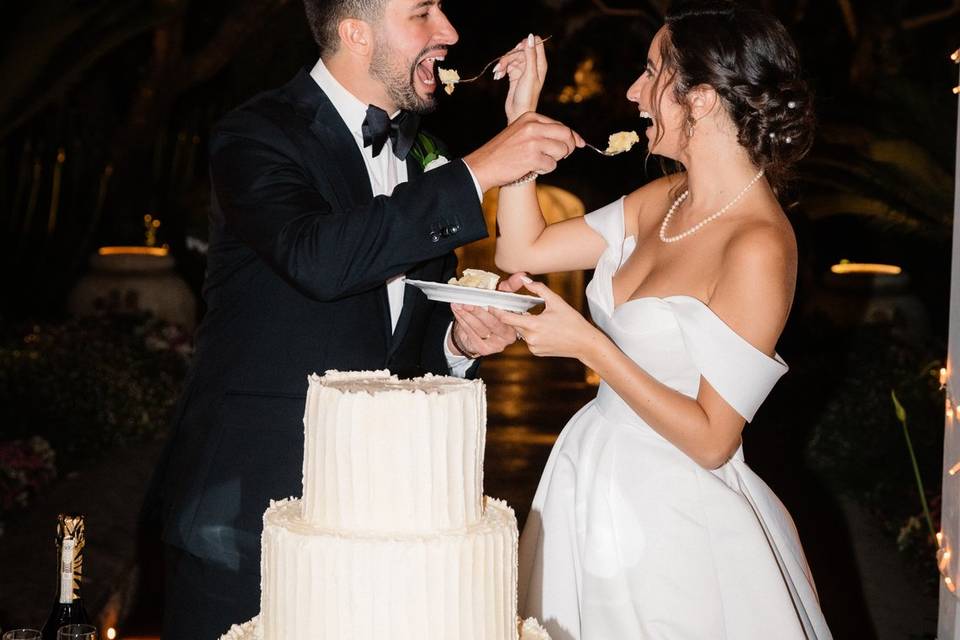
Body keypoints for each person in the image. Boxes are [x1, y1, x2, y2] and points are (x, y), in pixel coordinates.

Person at [151, 0, 581, 636]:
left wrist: (459, 340)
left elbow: (399, 336)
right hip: (247, 505)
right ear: (355, 32)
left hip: (386, 518)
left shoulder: (423, 155)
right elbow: (318, 259)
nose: (451, 32)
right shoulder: (257, 132)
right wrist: (483, 169)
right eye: (422, 14)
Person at [482, 1, 833, 638]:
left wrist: (590, 347)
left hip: (675, 518)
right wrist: (521, 126)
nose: (634, 92)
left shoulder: (758, 244)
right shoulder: (664, 199)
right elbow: (520, 249)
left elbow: (712, 440)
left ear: (700, 98)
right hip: (592, 474)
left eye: (651, 73)